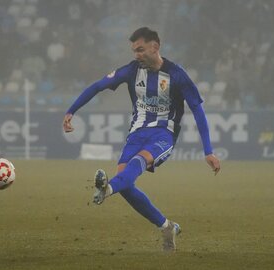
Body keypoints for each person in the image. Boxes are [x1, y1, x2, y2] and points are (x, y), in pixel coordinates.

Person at [63, 27, 220, 251]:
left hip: (163, 134)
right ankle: (166, 226)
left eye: (140, 49)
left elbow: (198, 110)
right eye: (134, 50)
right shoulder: (131, 71)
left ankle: (106, 190)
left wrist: (208, 151)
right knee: (125, 183)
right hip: (137, 133)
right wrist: (71, 111)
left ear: (155, 47)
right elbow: (98, 86)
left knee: (140, 161)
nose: (136, 55)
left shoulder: (177, 74)